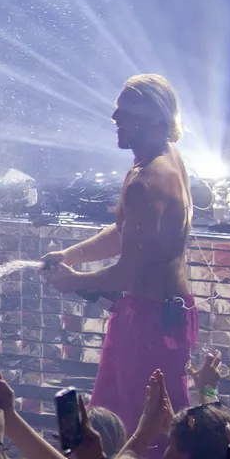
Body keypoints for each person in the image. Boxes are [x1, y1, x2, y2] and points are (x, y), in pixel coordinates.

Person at [44, 74, 196, 434]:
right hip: (155, 315)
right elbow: (126, 232)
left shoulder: (148, 181)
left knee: (143, 431)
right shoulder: (162, 159)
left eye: (125, 111)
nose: (114, 117)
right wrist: (71, 254)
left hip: (150, 323)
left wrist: (74, 281)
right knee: (115, 420)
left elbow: (131, 272)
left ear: (155, 117)